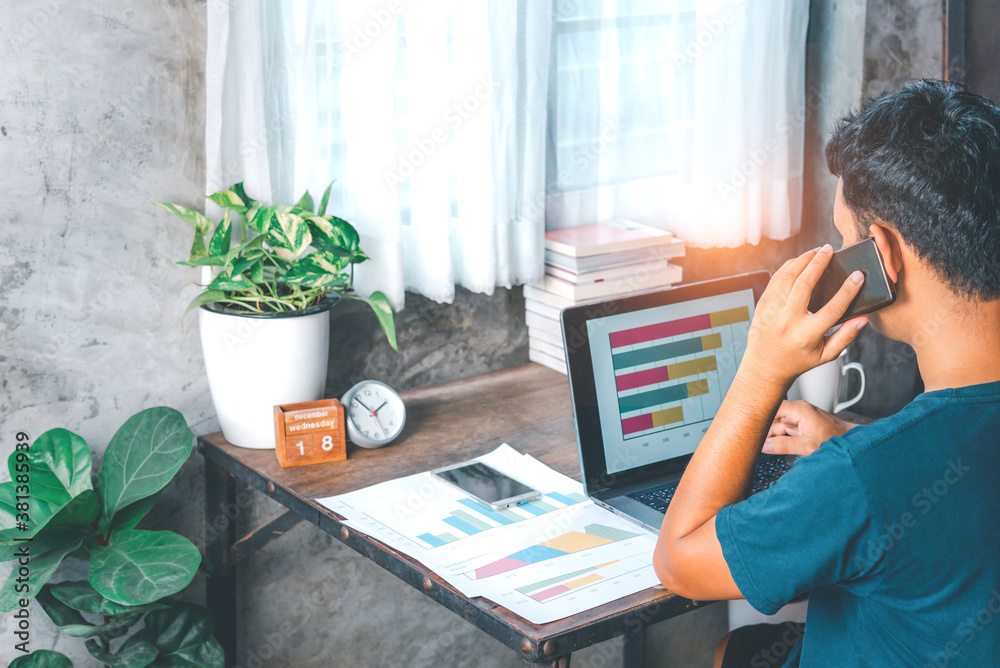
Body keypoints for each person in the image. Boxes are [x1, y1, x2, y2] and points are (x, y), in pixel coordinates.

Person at [652, 79, 1000, 667]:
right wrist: (847, 439)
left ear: (881, 255)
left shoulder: (860, 479)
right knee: (742, 651)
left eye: (845, 239)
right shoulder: (869, 466)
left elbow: (679, 561)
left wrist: (762, 369)